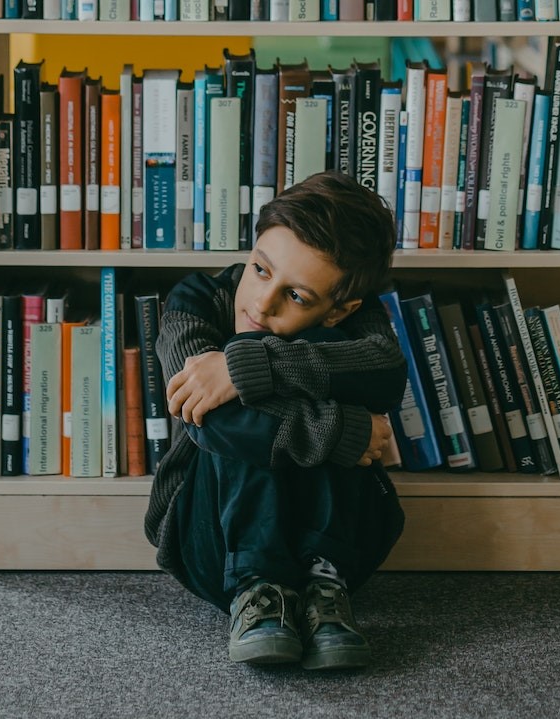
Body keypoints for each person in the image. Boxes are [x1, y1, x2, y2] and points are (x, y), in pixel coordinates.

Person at [143, 171, 407, 670]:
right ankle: (259, 587)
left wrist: (251, 365)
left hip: (345, 540)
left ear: (338, 310)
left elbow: (386, 373)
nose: (262, 304)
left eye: (298, 297)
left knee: (272, 377)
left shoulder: (358, 319)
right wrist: (346, 432)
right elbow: (208, 419)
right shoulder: (194, 301)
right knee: (232, 413)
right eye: (261, 270)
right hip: (211, 542)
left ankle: (323, 587)